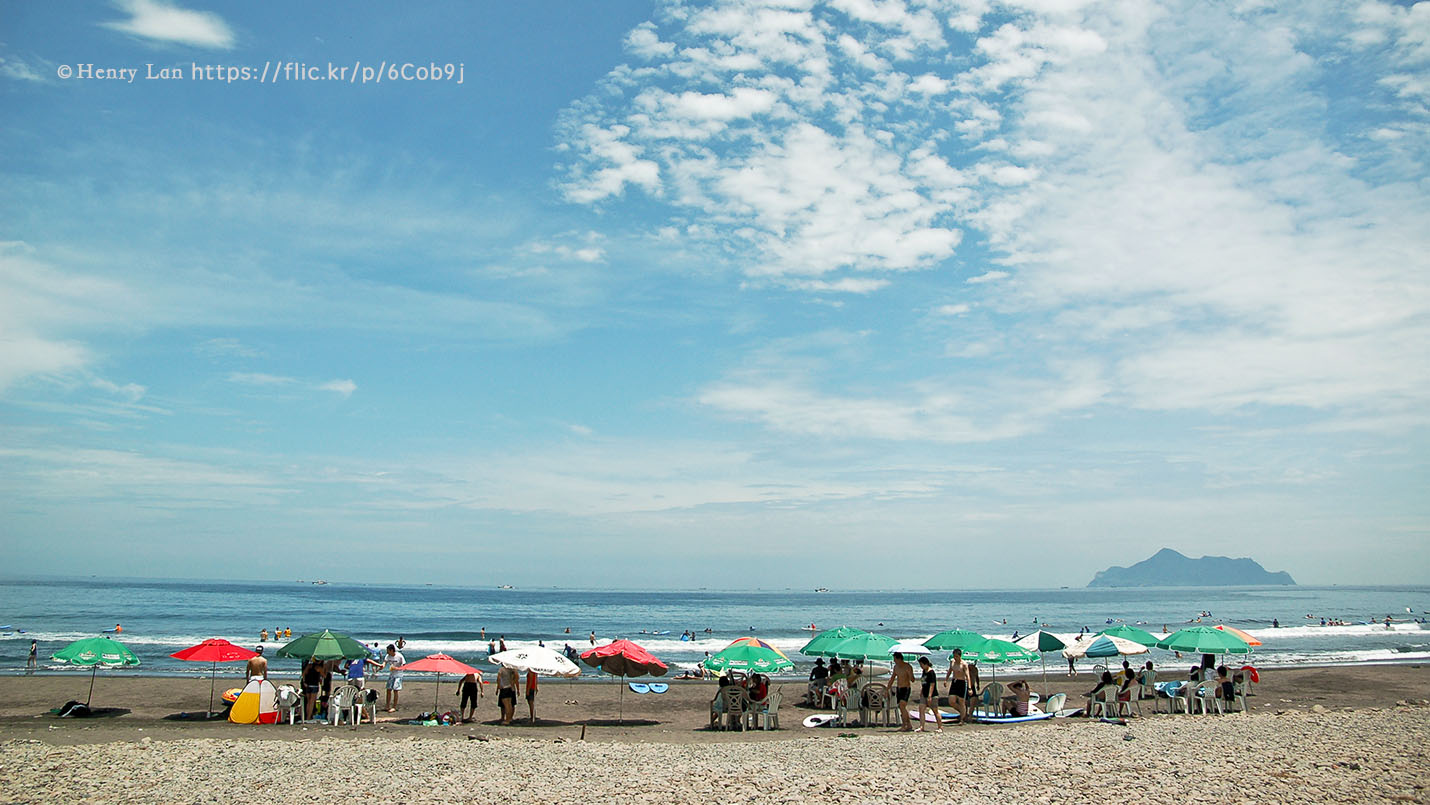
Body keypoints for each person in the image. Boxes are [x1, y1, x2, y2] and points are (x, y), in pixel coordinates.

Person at [888, 651, 915, 731]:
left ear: (899, 659)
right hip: (899, 688)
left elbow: (912, 680)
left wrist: (909, 673)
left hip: (906, 688)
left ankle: (904, 725)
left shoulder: (908, 666)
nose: (894, 661)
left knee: (902, 706)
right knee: (901, 707)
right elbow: (892, 678)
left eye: (895, 659)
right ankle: (908, 724)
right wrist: (887, 688)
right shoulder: (896, 667)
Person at [916, 656, 942, 732]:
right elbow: (924, 683)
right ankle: (921, 726)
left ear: (925, 664)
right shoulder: (924, 671)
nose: (921, 666)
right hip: (924, 693)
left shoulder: (931, 672)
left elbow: (932, 684)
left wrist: (929, 696)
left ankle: (940, 727)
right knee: (921, 709)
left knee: (935, 710)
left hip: (932, 695)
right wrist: (921, 691)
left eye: (921, 664)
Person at [944, 648, 970, 724]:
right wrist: (946, 680)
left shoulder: (964, 664)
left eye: (956, 656)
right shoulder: (952, 662)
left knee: (961, 701)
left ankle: (962, 719)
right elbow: (950, 671)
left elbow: (967, 676)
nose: (955, 658)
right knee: (951, 701)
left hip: (962, 682)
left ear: (960, 656)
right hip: (954, 682)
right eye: (954, 656)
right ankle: (963, 713)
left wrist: (969, 688)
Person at [383, 643, 406, 712]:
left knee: (395, 690)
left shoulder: (399, 656)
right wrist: (380, 667)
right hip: (391, 675)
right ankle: (387, 706)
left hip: (398, 675)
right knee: (388, 689)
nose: (387, 652)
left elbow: (404, 666)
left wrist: (396, 668)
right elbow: (384, 663)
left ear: (391, 650)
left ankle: (394, 707)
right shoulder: (388, 656)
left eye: (388, 651)